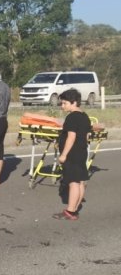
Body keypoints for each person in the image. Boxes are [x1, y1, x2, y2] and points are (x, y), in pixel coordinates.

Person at [53, 89, 91, 220]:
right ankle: (74, 209)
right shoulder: (84, 116)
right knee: (80, 181)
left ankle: (70, 210)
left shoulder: (72, 117)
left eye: (64, 103)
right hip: (81, 152)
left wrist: (63, 154)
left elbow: (71, 137)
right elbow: (86, 136)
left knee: (73, 182)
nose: (62, 106)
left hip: (72, 154)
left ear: (74, 102)